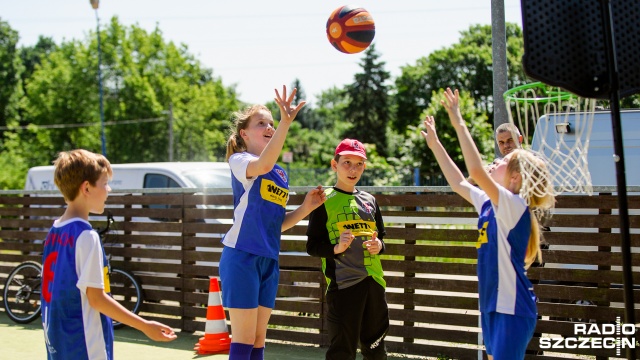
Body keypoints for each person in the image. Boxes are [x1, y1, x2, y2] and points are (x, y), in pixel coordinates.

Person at [420, 88, 555, 360]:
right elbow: (459, 183)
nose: (496, 160)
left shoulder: (514, 206)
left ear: (516, 179)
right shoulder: (489, 203)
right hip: (493, 305)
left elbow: (476, 172)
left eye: (504, 160)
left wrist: (459, 122)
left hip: (512, 308)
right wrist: (436, 145)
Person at [220, 85, 326, 360]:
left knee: (258, 339)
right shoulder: (239, 160)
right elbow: (263, 164)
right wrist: (285, 123)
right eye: (261, 123)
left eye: (271, 122)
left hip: (269, 258)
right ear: (244, 134)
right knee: (242, 339)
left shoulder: (279, 173)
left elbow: (276, 224)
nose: (268, 126)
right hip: (242, 255)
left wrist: (306, 207)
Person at [41, 149, 176, 360]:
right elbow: (97, 299)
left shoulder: (55, 231)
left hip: (58, 342)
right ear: (86, 187)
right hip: (84, 345)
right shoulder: (86, 236)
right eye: (104, 183)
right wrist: (144, 326)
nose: (109, 189)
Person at [306, 138, 389, 360]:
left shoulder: (370, 200)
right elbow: (312, 246)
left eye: (359, 164)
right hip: (344, 286)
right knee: (342, 352)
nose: (353, 169)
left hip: (375, 283)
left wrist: (378, 246)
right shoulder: (324, 200)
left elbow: (382, 238)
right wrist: (337, 247)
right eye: (347, 163)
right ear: (335, 165)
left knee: (376, 350)